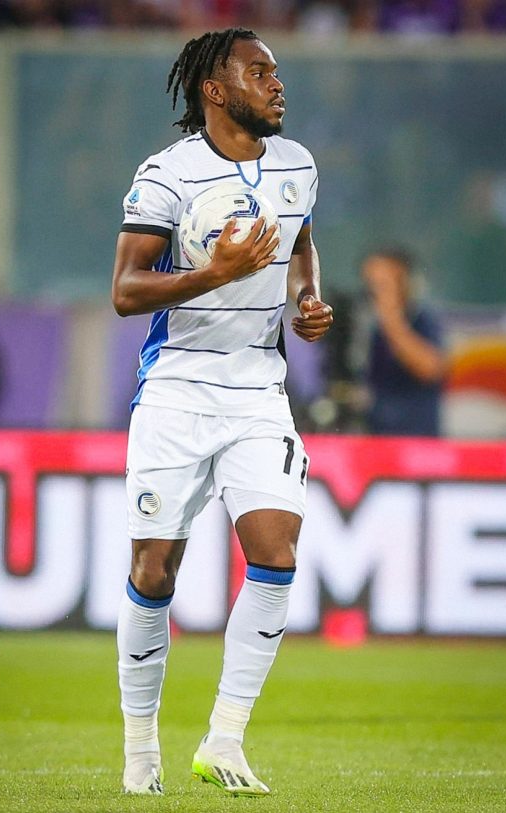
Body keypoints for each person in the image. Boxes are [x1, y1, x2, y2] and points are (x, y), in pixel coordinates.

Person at [111, 28, 332, 796]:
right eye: (259, 72)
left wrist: (306, 297)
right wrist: (217, 272)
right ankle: (141, 750)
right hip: (177, 389)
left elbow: (301, 243)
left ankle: (225, 740)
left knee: (277, 552)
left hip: (258, 389)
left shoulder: (297, 164)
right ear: (215, 89)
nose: (276, 83)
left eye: (277, 71)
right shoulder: (166, 175)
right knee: (154, 569)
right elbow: (126, 291)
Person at [361, 248, 447, 436]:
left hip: (416, 437)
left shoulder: (423, 320)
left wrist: (392, 319)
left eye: (383, 285)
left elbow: (431, 368)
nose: (375, 293)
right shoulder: (374, 328)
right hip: (378, 435)